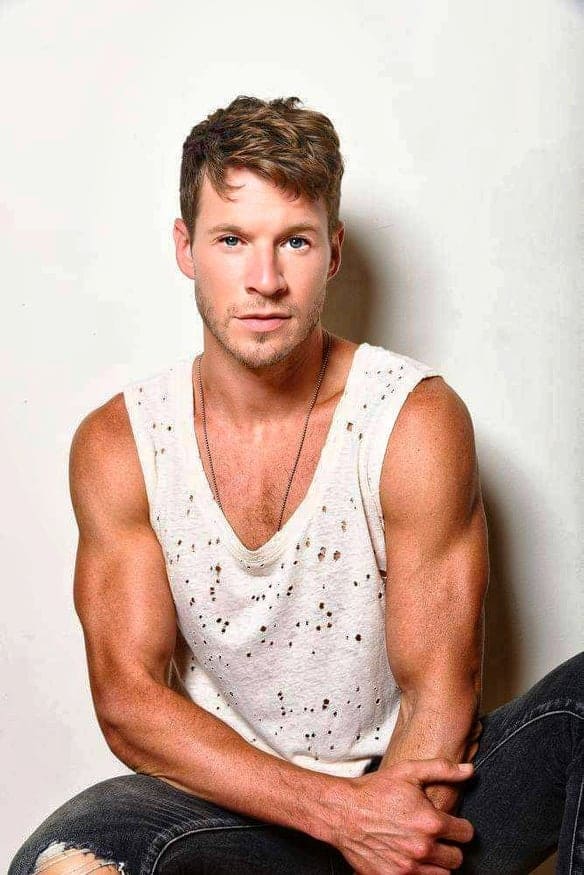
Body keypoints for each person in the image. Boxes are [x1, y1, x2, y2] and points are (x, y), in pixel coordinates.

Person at [8, 95, 583, 875]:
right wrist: (339, 814)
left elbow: (441, 693)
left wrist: (384, 830)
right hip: (230, 808)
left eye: (295, 241)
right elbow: (130, 702)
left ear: (333, 253)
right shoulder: (123, 444)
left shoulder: (411, 419)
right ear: (185, 247)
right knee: (68, 863)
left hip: (414, 798)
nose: (265, 279)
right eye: (232, 239)